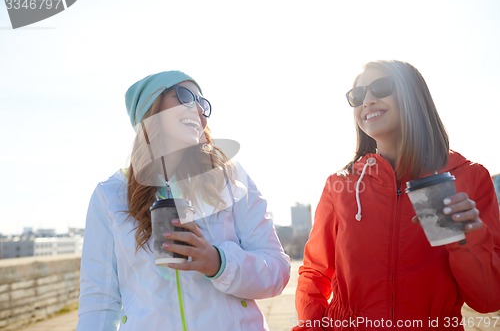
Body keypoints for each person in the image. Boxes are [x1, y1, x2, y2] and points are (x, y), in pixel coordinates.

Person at [293, 60, 500, 331]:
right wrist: (311, 327)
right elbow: (315, 273)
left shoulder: (467, 178)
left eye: (381, 87)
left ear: (412, 95)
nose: (367, 100)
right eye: (357, 95)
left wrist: (467, 238)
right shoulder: (340, 186)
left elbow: (487, 300)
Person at [77, 70, 290, 331]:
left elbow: (277, 271)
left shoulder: (231, 178)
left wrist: (219, 263)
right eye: (186, 96)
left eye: (203, 104)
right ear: (151, 109)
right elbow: (99, 302)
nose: (199, 109)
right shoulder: (110, 194)